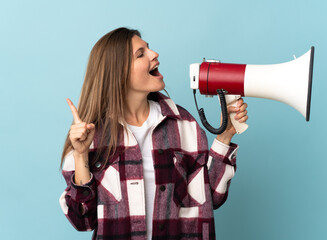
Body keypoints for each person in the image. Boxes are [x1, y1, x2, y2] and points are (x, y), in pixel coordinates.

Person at [59, 27, 248, 240]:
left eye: (148, 49)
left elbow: (211, 198)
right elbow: (82, 221)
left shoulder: (183, 124)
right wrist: (81, 155)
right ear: (118, 72)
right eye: (141, 54)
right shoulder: (90, 136)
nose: (154, 54)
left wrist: (225, 136)